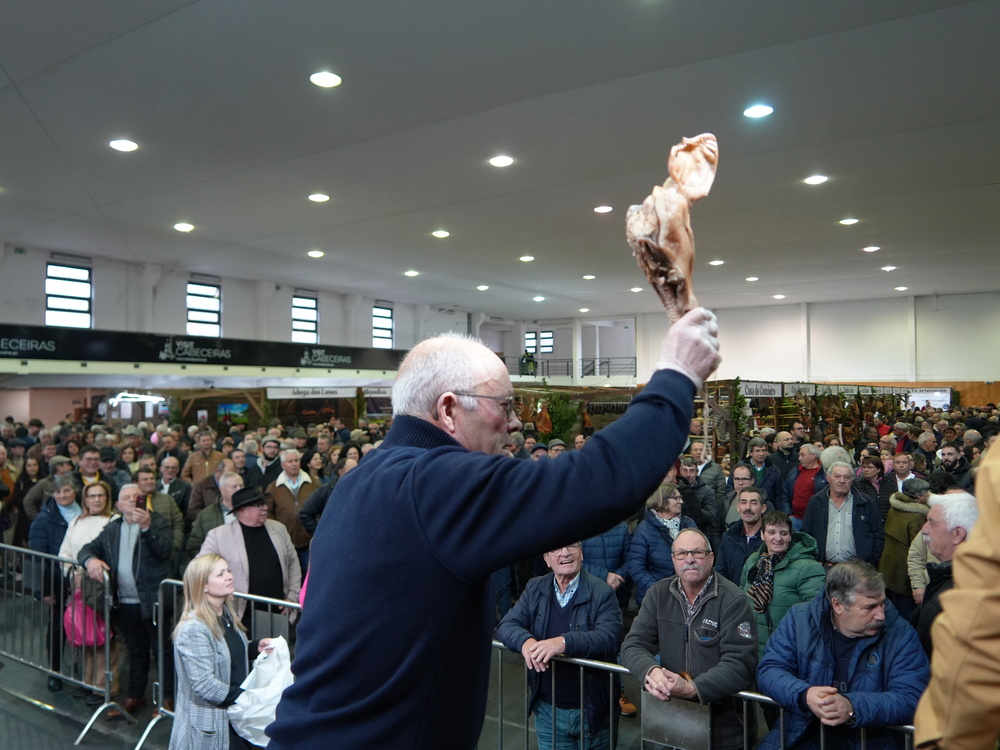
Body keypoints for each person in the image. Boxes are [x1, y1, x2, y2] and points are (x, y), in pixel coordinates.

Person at [268, 312, 721, 750]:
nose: (517, 421)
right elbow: (598, 482)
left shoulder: (362, 481)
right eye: (504, 405)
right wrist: (677, 374)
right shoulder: (435, 484)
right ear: (448, 409)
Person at [756, 561, 929, 750]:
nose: (881, 615)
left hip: (871, 741)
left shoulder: (901, 634)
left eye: (882, 603)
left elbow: (913, 698)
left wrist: (852, 707)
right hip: (800, 737)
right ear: (837, 605)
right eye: (869, 608)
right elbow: (769, 670)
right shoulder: (799, 620)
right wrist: (805, 695)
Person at [620, 529, 757, 750]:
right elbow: (633, 645)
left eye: (697, 552)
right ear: (673, 560)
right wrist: (651, 672)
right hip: (673, 722)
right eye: (682, 553)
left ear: (711, 558)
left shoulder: (733, 600)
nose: (690, 559)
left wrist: (694, 688)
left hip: (724, 729)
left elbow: (740, 664)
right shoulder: (658, 594)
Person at [496, 543, 622, 750]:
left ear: (581, 553)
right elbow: (507, 624)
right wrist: (525, 642)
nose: (565, 553)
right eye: (557, 549)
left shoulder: (602, 592)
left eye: (572, 547)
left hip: (592, 710)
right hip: (548, 710)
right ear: (546, 558)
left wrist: (563, 642)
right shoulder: (535, 587)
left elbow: (609, 639)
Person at [80, 483, 174, 718]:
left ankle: (168, 698)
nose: (132, 501)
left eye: (137, 497)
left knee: (162, 651)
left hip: (154, 601)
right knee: (135, 650)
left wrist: (146, 528)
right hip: (125, 602)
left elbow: (166, 552)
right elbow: (87, 549)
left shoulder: (158, 521)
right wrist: (90, 560)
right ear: (118, 505)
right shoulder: (112, 528)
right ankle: (135, 695)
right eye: (126, 498)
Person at [169, 554, 275, 750]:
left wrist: (254, 647)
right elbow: (205, 685)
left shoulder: (225, 614)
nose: (229, 576)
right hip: (211, 727)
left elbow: (224, 652)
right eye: (220, 574)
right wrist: (251, 697)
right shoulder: (193, 628)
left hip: (233, 720)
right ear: (203, 586)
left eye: (228, 570)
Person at [200, 487, 301, 635]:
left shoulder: (278, 529)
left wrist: (291, 597)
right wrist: (218, 593)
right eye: (259, 505)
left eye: (265, 503)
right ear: (242, 510)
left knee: (278, 653)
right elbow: (199, 569)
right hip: (240, 614)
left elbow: (293, 562)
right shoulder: (218, 536)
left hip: (278, 611)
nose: (265, 508)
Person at [57, 480, 116, 706]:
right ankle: (89, 682)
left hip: (102, 587)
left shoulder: (113, 521)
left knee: (103, 638)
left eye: (101, 495)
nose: (97, 499)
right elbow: (65, 551)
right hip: (78, 584)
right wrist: (73, 574)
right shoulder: (76, 521)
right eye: (92, 496)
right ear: (85, 499)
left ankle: (103, 687)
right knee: (85, 635)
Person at [740, 511, 825, 660]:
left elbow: (817, 613)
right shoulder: (753, 561)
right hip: (751, 650)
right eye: (771, 532)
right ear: (762, 535)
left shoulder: (809, 568)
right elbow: (741, 599)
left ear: (790, 536)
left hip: (788, 651)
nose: (777, 538)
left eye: (784, 533)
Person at [909, 491, 978, 657]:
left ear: (957, 534)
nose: (924, 530)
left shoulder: (966, 592)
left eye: (932, 523)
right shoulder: (947, 576)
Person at [28, 474, 81, 691]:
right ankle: (55, 670)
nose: (62, 495)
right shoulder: (44, 519)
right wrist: (43, 590)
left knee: (84, 624)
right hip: (57, 580)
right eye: (58, 492)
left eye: (66, 490)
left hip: (83, 580)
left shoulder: (85, 513)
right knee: (58, 628)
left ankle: (85, 671)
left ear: (75, 491)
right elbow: (38, 558)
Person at [626, 481, 697, 606]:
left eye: (680, 497)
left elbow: (699, 554)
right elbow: (636, 567)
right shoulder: (644, 530)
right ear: (662, 500)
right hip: (657, 600)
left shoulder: (688, 523)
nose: (681, 501)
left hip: (689, 596)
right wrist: (660, 590)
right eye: (676, 498)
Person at [802, 462, 884, 567]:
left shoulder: (866, 502)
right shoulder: (816, 501)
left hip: (858, 569)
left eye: (847, 477)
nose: (842, 481)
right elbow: (806, 534)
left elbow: (878, 534)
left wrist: (871, 561)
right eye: (837, 476)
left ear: (852, 480)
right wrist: (813, 559)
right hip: (825, 567)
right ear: (828, 478)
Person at [878, 478, 930, 620]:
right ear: (919, 496)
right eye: (927, 492)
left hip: (889, 565)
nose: (929, 494)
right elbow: (919, 547)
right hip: (904, 570)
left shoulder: (895, 507)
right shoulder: (917, 517)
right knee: (906, 614)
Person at [715, 485, 768, 583]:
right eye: (744, 502)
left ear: (763, 508)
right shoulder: (728, 537)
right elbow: (720, 573)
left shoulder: (771, 539)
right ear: (738, 507)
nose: (748, 507)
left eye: (753, 503)